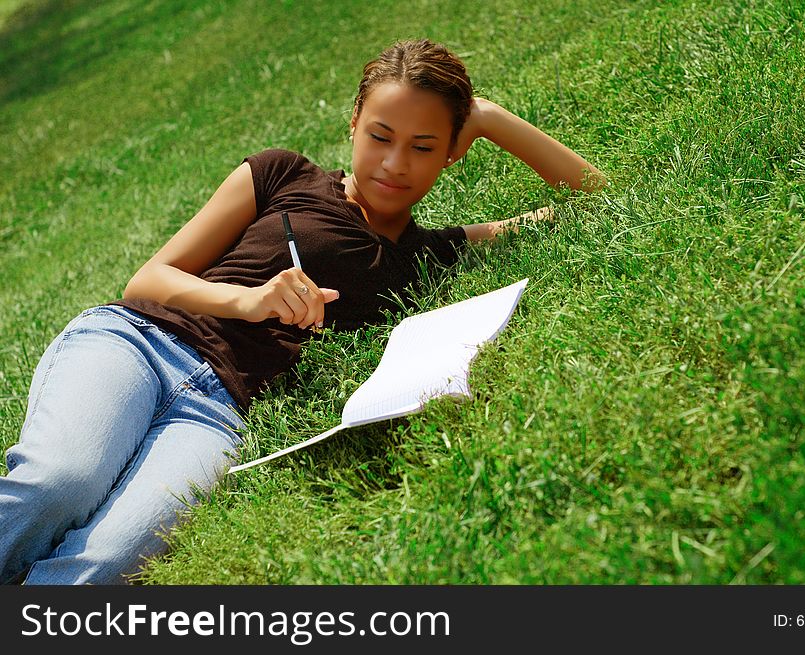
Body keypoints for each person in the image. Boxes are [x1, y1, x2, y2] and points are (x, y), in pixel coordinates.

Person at [0, 39, 606, 585]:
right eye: (380, 136)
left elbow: (586, 197)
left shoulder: (427, 254)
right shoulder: (284, 173)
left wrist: (488, 117)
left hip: (220, 410)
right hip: (137, 344)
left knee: (109, 559)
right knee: (60, 484)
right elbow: (148, 280)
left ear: (452, 152)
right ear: (353, 125)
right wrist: (250, 299)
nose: (395, 163)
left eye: (424, 146)